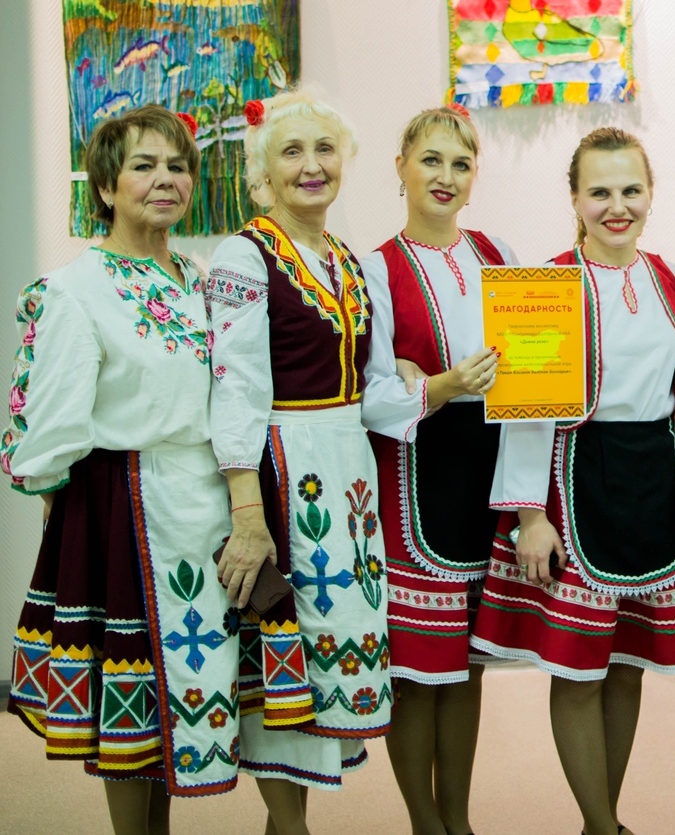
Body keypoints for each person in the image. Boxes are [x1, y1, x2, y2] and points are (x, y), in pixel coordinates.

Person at [3, 106, 244, 830]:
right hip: (126, 509)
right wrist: (66, 505)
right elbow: (47, 424)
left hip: (204, 504)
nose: (165, 179)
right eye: (144, 166)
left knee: (180, 695)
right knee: (130, 703)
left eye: (178, 166)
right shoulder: (76, 288)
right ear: (106, 187)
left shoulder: (201, 278)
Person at [470, 127, 675, 835]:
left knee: (627, 662)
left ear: (651, 193)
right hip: (573, 482)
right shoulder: (544, 286)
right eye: (600, 191)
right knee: (577, 667)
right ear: (574, 198)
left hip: (652, 480)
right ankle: (602, 827)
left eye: (631, 190)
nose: (617, 206)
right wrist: (529, 517)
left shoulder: (672, 278)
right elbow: (526, 414)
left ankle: (605, 818)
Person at [208, 90, 392, 835]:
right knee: (285, 646)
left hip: (347, 471)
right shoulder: (244, 255)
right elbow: (235, 388)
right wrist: (248, 515)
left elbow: (366, 384)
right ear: (263, 174)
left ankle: (290, 826)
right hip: (286, 469)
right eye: (292, 152)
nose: (312, 166)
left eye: (324, 149)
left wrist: (427, 382)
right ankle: (290, 828)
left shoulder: (344, 258)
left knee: (324, 654)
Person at [361, 104, 516, 835]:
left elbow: (529, 362)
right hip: (415, 477)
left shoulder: (497, 253)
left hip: (487, 474)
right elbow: (372, 397)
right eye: (431, 160)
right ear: (400, 167)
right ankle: (425, 822)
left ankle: (459, 818)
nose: (446, 176)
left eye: (461, 163)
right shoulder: (375, 269)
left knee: (467, 668)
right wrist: (442, 386)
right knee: (417, 672)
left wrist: (428, 378)